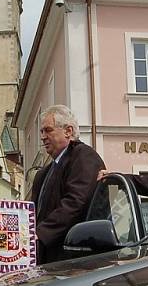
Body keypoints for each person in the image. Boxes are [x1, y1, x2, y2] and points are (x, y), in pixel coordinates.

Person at [30, 105, 105, 264]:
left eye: (48, 130)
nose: (43, 137)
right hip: (47, 259)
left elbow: (75, 202)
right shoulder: (44, 172)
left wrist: (39, 233)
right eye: (41, 131)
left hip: (74, 260)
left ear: (68, 131)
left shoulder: (84, 157)